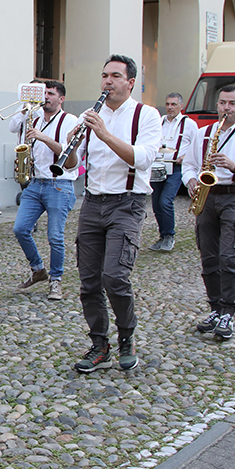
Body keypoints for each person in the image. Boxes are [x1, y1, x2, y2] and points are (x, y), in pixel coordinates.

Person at [68, 55, 162, 374]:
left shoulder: (146, 115)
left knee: (116, 276)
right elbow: (70, 165)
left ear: (130, 82)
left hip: (128, 202)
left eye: (115, 76)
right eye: (104, 75)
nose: (108, 81)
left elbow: (143, 159)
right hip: (94, 202)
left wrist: (105, 134)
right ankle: (99, 344)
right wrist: (69, 146)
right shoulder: (91, 115)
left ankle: (126, 337)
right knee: (89, 280)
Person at [184, 86, 235, 341]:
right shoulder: (203, 134)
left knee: (229, 255)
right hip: (208, 196)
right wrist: (190, 181)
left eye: (232, 104)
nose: (226, 108)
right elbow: (189, 164)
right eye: (222, 103)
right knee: (208, 257)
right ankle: (215, 307)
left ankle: (228, 311)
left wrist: (234, 166)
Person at [9, 79, 80, 300]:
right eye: (44, 93)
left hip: (59, 184)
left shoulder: (71, 120)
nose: (46, 97)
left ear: (61, 98)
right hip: (35, 182)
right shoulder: (34, 117)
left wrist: (43, 137)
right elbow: (12, 127)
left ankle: (55, 281)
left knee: (55, 236)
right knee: (20, 229)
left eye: (50, 93)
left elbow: (68, 155)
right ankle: (38, 270)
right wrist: (24, 109)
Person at [149, 92, 197, 252]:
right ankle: (162, 235)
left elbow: (197, 145)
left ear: (181, 106)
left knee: (165, 201)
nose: (170, 107)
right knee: (156, 203)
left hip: (176, 169)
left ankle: (169, 235)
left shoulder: (189, 124)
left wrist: (185, 156)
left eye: (174, 104)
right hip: (159, 166)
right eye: (168, 104)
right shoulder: (159, 122)